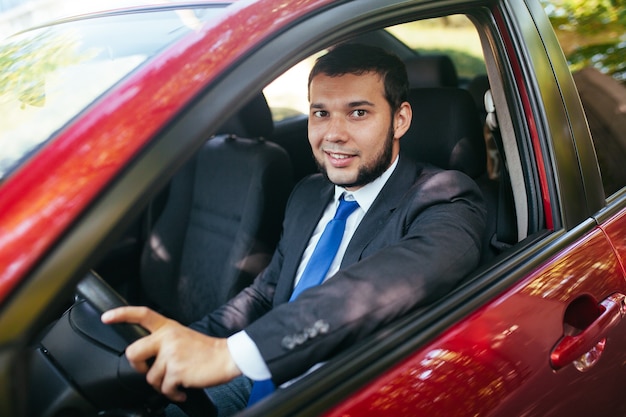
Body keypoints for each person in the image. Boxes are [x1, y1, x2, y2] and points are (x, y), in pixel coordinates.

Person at [102, 43, 486, 415]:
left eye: (357, 113)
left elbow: (378, 287)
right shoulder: (308, 195)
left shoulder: (445, 199)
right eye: (320, 113)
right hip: (262, 375)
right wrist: (189, 340)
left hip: (341, 392)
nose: (333, 133)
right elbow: (266, 295)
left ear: (399, 119)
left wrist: (232, 354)